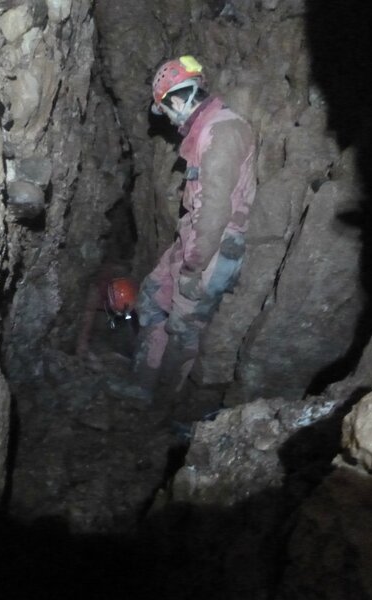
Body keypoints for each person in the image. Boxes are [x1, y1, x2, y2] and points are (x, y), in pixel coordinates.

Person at [109, 55, 257, 402]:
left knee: (182, 330)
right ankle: (142, 384)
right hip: (193, 240)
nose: (171, 118)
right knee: (151, 298)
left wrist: (192, 264)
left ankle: (162, 403)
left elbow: (215, 209)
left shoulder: (220, 132)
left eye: (168, 109)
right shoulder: (206, 130)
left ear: (179, 97)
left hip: (212, 249)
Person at [75, 268, 138, 361]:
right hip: (102, 305)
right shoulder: (97, 292)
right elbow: (87, 320)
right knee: (101, 324)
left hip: (121, 305)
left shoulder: (130, 288)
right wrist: (82, 347)